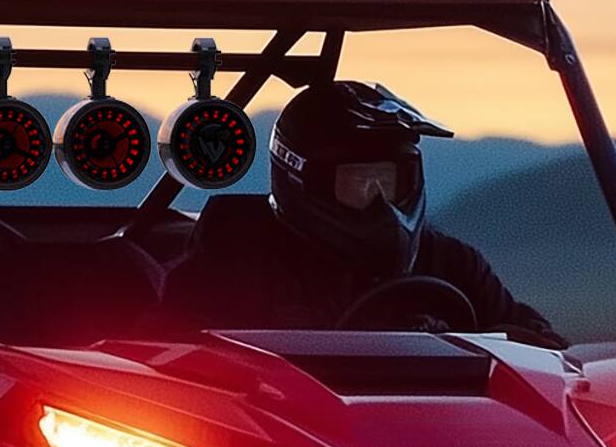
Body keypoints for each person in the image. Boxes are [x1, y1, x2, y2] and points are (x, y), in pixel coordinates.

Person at [159, 79, 566, 345]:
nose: (379, 202)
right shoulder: (232, 261)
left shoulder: (452, 264)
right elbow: (169, 363)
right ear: (303, 179)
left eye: (389, 182)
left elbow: (544, 350)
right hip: (286, 442)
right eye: (357, 183)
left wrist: (458, 342)